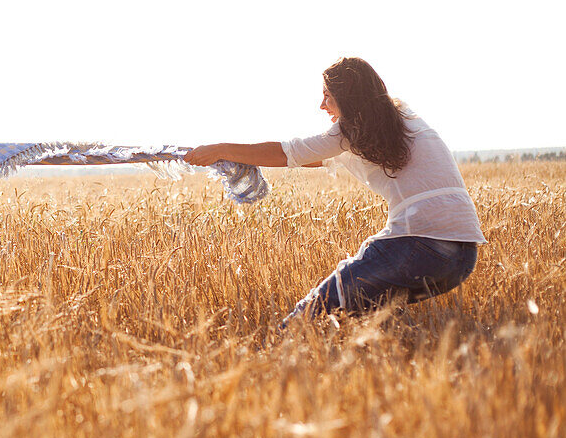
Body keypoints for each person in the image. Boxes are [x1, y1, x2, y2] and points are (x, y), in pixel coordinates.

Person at [184, 57, 485, 326]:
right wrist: (235, 158)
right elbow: (316, 156)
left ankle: (272, 358)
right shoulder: (404, 118)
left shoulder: (350, 130)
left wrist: (219, 149)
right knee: (366, 316)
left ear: (348, 99)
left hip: (417, 247)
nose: (322, 105)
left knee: (309, 315)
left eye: (327, 96)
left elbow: (289, 153)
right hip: (462, 259)